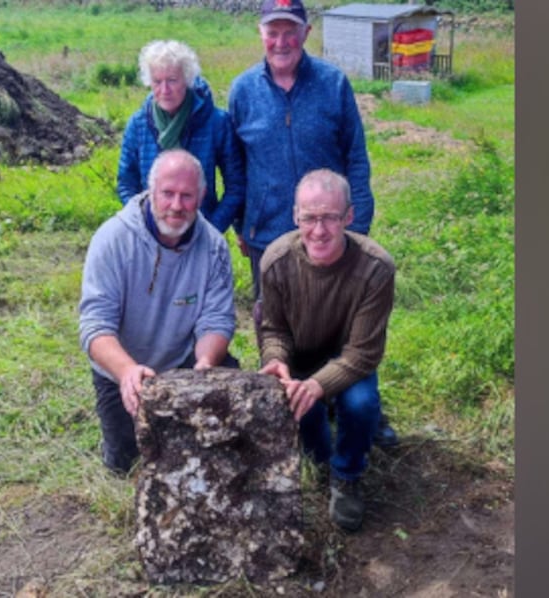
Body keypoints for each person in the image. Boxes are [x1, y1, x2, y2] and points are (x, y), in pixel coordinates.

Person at [228, 0, 398, 447]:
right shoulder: (243, 90)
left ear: (306, 33)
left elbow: (356, 157)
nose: (281, 41)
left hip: (330, 228)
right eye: (273, 31)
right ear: (261, 34)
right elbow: (237, 167)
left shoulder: (333, 84)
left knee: (348, 322)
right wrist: (242, 224)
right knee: (278, 325)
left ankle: (362, 410)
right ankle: (297, 403)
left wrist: (355, 226)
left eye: (290, 31)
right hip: (268, 234)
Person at [79, 149, 238, 475]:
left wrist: (206, 363)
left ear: (202, 196)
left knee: (218, 441)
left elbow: (217, 319)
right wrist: (127, 373)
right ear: (151, 192)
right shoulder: (112, 240)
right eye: (167, 194)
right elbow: (95, 325)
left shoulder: (214, 247)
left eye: (187, 196)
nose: (176, 206)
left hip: (183, 361)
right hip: (121, 369)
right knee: (127, 466)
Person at [258, 169, 395, 531]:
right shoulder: (275, 261)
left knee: (360, 404)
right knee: (309, 433)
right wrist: (275, 361)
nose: (319, 230)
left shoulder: (376, 267)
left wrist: (318, 387)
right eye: (309, 218)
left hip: (348, 360)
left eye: (330, 218)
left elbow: (362, 354)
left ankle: (348, 474)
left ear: (349, 216)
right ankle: (322, 459)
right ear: (295, 216)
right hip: (299, 359)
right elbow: (273, 330)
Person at [117, 39, 245, 233]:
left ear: (186, 79)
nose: (164, 90)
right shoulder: (138, 124)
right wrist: (144, 224)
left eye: (172, 80)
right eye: (157, 82)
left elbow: (236, 184)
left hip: (201, 230)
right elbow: (126, 183)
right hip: (151, 233)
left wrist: (212, 229)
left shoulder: (217, 122)